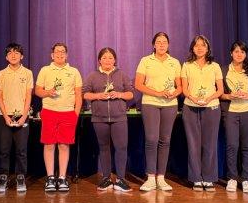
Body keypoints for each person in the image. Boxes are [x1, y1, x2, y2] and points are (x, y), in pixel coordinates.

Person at [134, 32, 182, 192]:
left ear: (168, 45)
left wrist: (174, 93)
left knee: (165, 140)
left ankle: (161, 178)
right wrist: (158, 93)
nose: (161, 44)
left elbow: (180, 87)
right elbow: (138, 84)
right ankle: (150, 178)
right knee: (151, 139)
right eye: (158, 42)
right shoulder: (145, 61)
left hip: (170, 104)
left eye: (164, 42)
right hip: (150, 103)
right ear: (153, 45)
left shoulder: (174, 62)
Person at [82, 47, 134, 192]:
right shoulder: (92, 76)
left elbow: (130, 94)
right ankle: (106, 178)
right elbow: (85, 94)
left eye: (110, 57)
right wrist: (98, 96)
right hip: (99, 118)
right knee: (104, 147)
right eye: (104, 58)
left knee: (121, 147)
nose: (107, 60)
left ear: (114, 60)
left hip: (119, 118)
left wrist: (119, 94)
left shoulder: (122, 75)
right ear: (99, 60)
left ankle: (120, 179)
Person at [35, 42, 82, 193]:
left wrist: (75, 113)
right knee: (49, 145)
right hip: (49, 111)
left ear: (66, 55)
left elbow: (78, 95)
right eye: (57, 52)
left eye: (62, 52)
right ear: (52, 55)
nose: (60, 54)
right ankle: (50, 178)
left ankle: (62, 177)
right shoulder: (45, 70)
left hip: (68, 113)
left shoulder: (74, 71)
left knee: (64, 145)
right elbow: (37, 91)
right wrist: (47, 92)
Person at [181, 35, 224, 190]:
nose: (199, 48)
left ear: (208, 48)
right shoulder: (186, 65)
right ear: (192, 48)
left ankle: (209, 178)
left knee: (210, 144)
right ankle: (196, 179)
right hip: (190, 107)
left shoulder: (215, 66)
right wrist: (192, 97)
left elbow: (220, 90)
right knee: (193, 144)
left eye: (203, 45)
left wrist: (208, 98)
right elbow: (184, 89)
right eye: (196, 45)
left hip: (211, 107)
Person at [220, 41, 248, 193]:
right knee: (232, 145)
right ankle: (232, 178)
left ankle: (246, 179)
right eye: (236, 51)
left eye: (242, 52)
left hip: (247, 112)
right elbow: (219, 93)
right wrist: (229, 96)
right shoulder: (223, 70)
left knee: (247, 146)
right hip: (230, 112)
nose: (239, 54)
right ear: (231, 53)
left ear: (245, 54)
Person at [0, 43, 33, 193]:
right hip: (5, 115)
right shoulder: (1, 74)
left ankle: (20, 177)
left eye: (16, 52)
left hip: (22, 115)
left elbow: (29, 96)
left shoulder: (28, 73)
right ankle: (3, 177)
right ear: (6, 57)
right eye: (10, 53)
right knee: (4, 149)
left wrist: (24, 116)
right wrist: (5, 116)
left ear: (21, 56)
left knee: (21, 150)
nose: (13, 55)